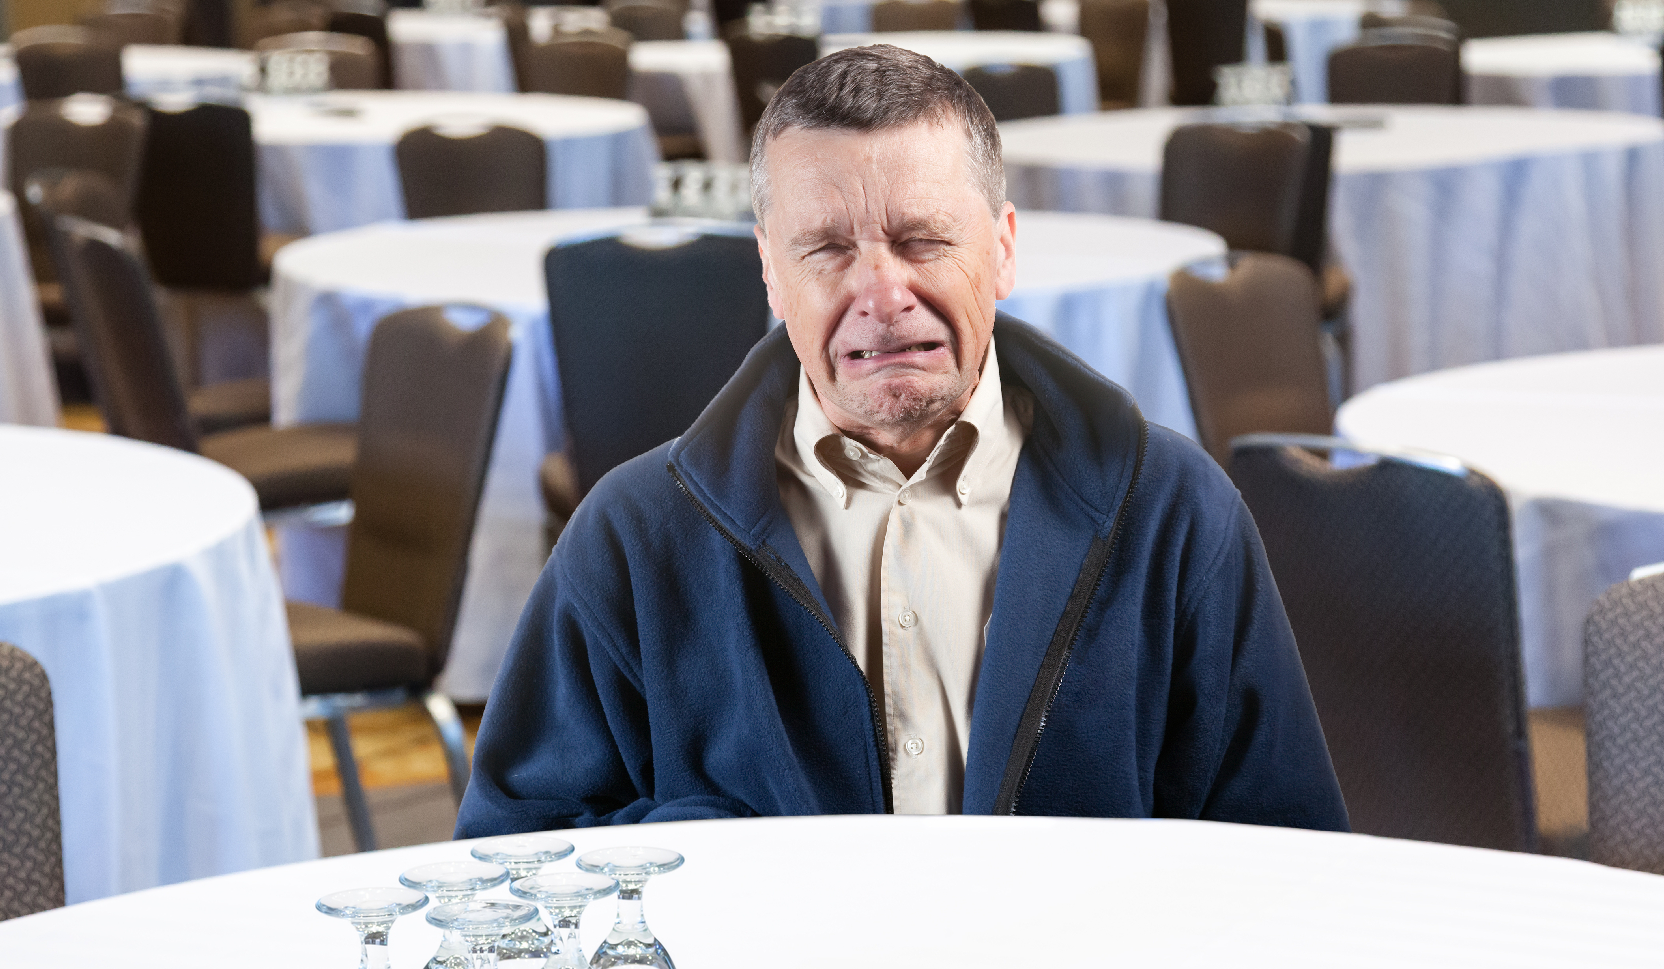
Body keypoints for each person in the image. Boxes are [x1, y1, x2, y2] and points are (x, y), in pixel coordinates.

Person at [457, 45, 1346, 830]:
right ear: (769, 273)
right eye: (825, 249)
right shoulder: (634, 538)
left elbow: (1284, 858)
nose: (882, 295)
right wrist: (736, 853)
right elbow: (521, 853)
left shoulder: (1171, 515)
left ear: (1002, 249)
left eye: (921, 240)